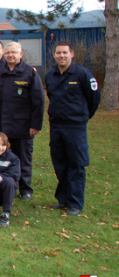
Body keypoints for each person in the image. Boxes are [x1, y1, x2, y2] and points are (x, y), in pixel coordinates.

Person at [45, 41, 101, 215]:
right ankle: (63, 199)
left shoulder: (83, 74)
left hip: (75, 127)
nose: (61, 56)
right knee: (60, 163)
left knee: (76, 164)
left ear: (72, 54)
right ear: (54, 55)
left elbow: (94, 99)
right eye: (58, 53)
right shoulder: (51, 75)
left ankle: (76, 202)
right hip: (56, 126)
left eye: (65, 53)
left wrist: (82, 116)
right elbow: (52, 97)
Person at [0, 42, 44, 201]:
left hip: (23, 126)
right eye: (7, 53)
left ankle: (25, 189)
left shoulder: (30, 73)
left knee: (23, 158)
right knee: (5, 158)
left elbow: (38, 101)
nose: (10, 56)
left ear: (21, 54)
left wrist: (35, 124)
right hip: (4, 125)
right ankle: (9, 186)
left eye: (14, 53)